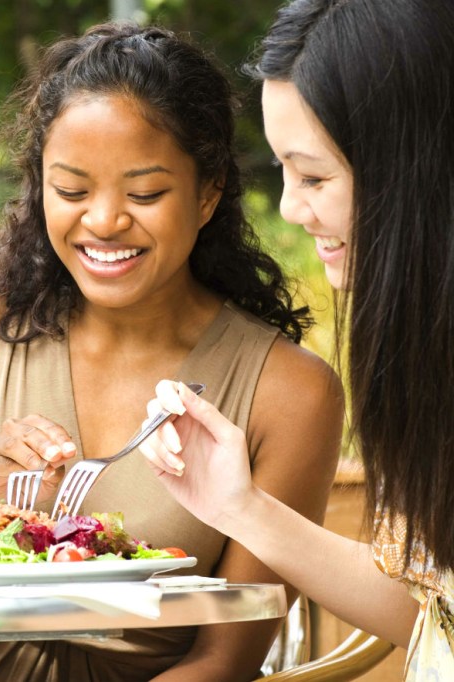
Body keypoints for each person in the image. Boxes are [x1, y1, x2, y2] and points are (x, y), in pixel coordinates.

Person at [0, 22, 344, 681]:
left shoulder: (290, 391)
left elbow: (227, 656)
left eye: (145, 194)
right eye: (71, 191)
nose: (103, 221)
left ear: (207, 195)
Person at [140, 1, 454, 679]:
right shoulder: (425, 353)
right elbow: (433, 611)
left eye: (313, 176)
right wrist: (237, 505)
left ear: (415, 172)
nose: (288, 207)